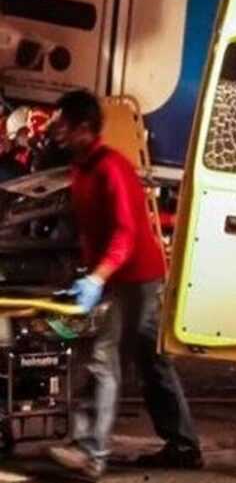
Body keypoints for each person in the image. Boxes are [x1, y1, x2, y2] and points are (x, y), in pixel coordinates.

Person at [47, 90, 202, 480]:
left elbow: (125, 233)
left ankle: (91, 452)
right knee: (151, 362)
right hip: (118, 276)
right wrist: (87, 273)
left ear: (84, 127)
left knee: (102, 357)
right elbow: (92, 231)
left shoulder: (111, 168)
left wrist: (97, 277)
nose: (56, 131)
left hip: (135, 278)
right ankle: (183, 446)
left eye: (62, 125)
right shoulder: (81, 168)